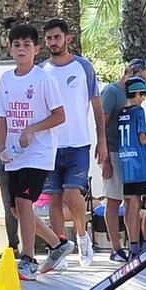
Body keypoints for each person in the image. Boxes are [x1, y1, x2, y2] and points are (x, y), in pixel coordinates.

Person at [0, 21, 70, 277]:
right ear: (10, 49)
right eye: (17, 45)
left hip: (39, 153)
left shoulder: (44, 79)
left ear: (37, 49)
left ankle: (28, 258)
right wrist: (0, 146)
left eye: (27, 45)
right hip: (14, 154)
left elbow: (60, 115)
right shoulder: (5, 79)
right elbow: (2, 117)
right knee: (16, 208)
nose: (22, 49)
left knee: (24, 202)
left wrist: (31, 130)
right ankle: (57, 244)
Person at [40, 18, 103, 266]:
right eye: (48, 38)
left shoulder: (83, 67)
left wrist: (103, 142)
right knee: (54, 198)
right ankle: (59, 247)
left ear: (67, 38)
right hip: (50, 145)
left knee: (71, 194)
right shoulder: (41, 71)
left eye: (57, 37)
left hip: (78, 143)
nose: (53, 42)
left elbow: (96, 105)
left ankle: (82, 237)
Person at [96, 58, 146, 260]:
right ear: (129, 72)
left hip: (130, 156)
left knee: (132, 201)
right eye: (141, 80)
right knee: (113, 199)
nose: (142, 87)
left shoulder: (135, 102)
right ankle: (115, 248)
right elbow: (102, 122)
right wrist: (105, 157)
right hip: (113, 151)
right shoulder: (112, 92)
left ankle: (133, 245)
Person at [109, 76, 146, 257]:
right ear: (136, 93)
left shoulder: (122, 112)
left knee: (131, 204)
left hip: (127, 162)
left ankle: (133, 247)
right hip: (142, 164)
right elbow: (143, 139)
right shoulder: (138, 111)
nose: (144, 97)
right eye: (143, 94)